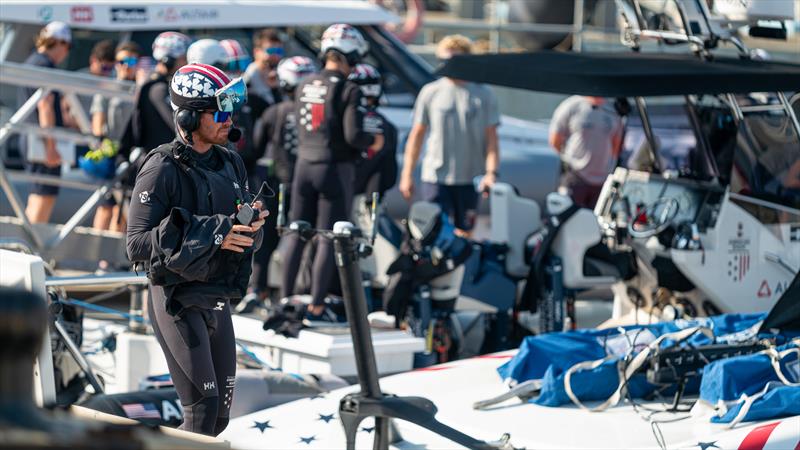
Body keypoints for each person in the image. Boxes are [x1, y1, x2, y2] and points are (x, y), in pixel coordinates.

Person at [126, 63, 267, 436]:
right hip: (177, 298)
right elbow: (137, 244)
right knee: (200, 415)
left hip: (217, 296)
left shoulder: (231, 161)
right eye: (219, 112)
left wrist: (251, 229)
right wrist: (218, 231)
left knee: (219, 420)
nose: (229, 120)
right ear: (189, 117)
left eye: (230, 111)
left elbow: (236, 235)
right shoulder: (161, 167)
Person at [280, 24, 383, 320]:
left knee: (296, 231)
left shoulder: (304, 84)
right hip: (334, 169)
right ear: (350, 55)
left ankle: (285, 296)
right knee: (328, 236)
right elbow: (353, 136)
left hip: (303, 167)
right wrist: (372, 141)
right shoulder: (349, 89)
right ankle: (316, 303)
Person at [399, 35, 500, 236]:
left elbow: (492, 140)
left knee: (465, 233)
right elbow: (417, 135)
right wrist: (407, 174)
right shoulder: (430, 92)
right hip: (435, 176)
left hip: (469, 177)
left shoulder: (484, 94)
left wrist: (491, 173)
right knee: (432, 232)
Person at [246, 56, 317, 304]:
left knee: (267, 239)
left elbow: (255, 150)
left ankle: (258, 289)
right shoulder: (317, 111)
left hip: (276, 185)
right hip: (309, 186)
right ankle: (299, 292)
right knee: (307, 239)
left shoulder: (273, 112)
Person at [20, 21, 72, 224]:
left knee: (37, 195)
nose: (66, 53)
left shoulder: (31, 61)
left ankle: (25, 248)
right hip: (41, 140)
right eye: (67, 46)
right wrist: (51, 145)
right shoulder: (46, 65)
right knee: (44, 197)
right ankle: (32, 249)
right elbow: (45, 106)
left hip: (31, 137)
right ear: (58, 42)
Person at [548, 96, 623, 208]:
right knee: (569, 216)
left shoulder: (613, 110)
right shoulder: (572, 105)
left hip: (602, 180)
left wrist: (608, 168)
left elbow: (616, 144)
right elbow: (555, 140)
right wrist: (570, 161)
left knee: (594, 220)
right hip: (576, 177)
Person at [129, 31, 191, 154]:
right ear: (168, 60)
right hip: (164, 161)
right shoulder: (159, 89)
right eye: (183, 59)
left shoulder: (155, 84)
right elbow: (180, 126)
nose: (187, 63)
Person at [349, 63, 398, 201]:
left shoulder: (343, 122)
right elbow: (389, 176)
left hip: (341, 193)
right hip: (370, 199)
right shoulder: (387, 125)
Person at [243, 28, 284, 118]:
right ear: (257, 52)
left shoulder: (281, 75)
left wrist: (275, 90)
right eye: (271, 51)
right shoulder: (248, 78)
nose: (276, 56)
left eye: (279, 51)